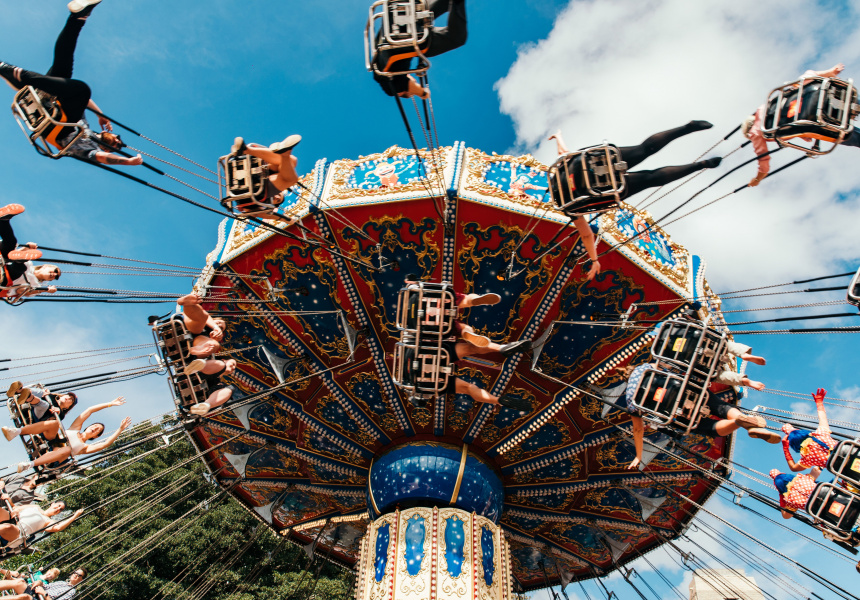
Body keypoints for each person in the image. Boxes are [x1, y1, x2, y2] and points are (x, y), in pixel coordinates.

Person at [547, 123, 720, 281]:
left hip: (610, 188)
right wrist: (558, 136)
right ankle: (687, 128)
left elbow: (586, 235)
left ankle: (701, 165)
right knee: (644, 149)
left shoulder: (568, 208)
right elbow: (564, 152)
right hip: (603, 160)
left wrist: (594, 260)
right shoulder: (560, 170)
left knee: (651, 178)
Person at [0, 1, 142, 167]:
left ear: (109, 149)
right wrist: (100, 114)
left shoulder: (90, 147)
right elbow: (83, 103)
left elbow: (101, 158)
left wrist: (128, 161)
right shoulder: (84, 125)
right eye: (118, 138)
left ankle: (15, 74)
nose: (117, 138)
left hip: (58, 127)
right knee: (64, 65)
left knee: (81, 90)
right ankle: (78, 17)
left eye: (117, 143)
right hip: (52, 103)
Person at [615, 363, 779, 470]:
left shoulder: (631, 399)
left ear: (625, 380)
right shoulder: (646, 367)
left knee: (713, 429)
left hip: (678, 413)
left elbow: (637, 429)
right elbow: (668, 365)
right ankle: (742, 418)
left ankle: (737, 422)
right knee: (721, 407)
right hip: (688, 390)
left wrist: (638, 455)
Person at [742, 63, 857, 187]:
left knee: (845, 134)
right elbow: (801, 81)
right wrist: (829, 73)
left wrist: (758, 179)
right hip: (821, 95)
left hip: (819, 122)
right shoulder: (770, 104)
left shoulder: (755, 132)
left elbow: (763, 161)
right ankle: (831, 76)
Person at [371, 0, 467, 98]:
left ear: (401, 92)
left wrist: (422, 93)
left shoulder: (388, 83)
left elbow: (404, 85)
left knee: (456, 38)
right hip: (404, 16)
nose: (415, 80)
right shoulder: (377, 57)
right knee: (441, 3)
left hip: (405, 41)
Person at [11, 398, 132, 473]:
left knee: (68, 449)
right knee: (55, 423)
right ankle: (17, 431)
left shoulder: (84, 447)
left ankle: (29, 465)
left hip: (57, 456)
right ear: (88, 426)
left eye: (97, 430)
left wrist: (120, 429)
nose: (94, 428)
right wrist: (110, 403)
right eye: (94, 426)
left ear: (95, 436)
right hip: (50, 442)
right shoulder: (75, 428)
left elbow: (106, 444)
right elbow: (89, 410)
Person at [225, 136, 302, 225]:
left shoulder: (259, 206)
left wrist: (284, 219)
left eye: (277, 200)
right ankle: (245, 149)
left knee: (291, 179)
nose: (276, 197)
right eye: (279, 195)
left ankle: (284, 154)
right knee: (292, 161)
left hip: (253, 190)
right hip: (258, 173)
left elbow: (260, 214)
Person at [0, 205, 60, 299]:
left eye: (56, 277)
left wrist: (45, 290)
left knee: (20, 268)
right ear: (45, 266)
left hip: (6, 280)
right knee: (11, 243)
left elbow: (20, 291)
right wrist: (27, 248)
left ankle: (18, 261)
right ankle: (3, 220)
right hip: (4, 261)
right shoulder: (29, 261)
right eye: (55, 271)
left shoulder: (35, 285)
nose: (55, 274)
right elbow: (12, 254)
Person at [781, 388, 838, 473]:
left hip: (844, 470)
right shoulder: (820, 434)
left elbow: (793, 468)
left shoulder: (807, 457)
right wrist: (819, 403)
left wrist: (786, 449)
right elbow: (822, 417)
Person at [4, 382, 78, 442]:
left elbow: (52, 421)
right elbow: (43, 394)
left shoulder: (61, 414)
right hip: (33, 407)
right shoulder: (51, 396)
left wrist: (57, 413)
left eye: (71, 399)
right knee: (41, 392)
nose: (68, 398)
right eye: (68, 395)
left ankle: (28, 396)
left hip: (39, 416)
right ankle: (19, 391)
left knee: (45, 405)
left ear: (67, 407)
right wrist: (45, 394)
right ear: (62, 396)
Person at [0, 500, 83, 550]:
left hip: (18, 532)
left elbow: (58, 528)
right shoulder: (36, 507)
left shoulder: (48, 521)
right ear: (53, 504)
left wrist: (74, 516)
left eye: (60, 509)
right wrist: (16, 511)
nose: (57, 509)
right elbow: (16, 508)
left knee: (7, 527)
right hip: (13, 519)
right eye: (58, 506)